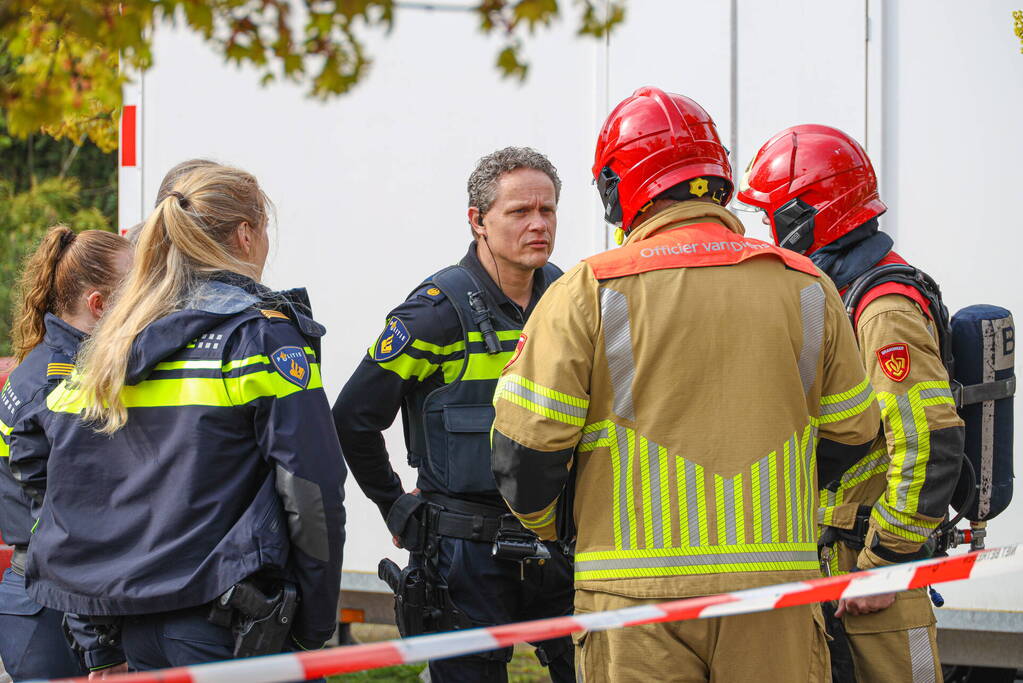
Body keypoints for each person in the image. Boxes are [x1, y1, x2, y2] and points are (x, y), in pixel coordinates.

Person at [490, 87, 882, 682]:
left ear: (619, 188)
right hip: (775, 594)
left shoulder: (588, 289)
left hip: (631, 602)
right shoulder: (807, 285)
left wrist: (566, 528)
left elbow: (524, 453)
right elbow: (854, 432)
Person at [22, 164, 346, 672]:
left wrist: (98, 639)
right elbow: (311, 488)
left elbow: (63, 489)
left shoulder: (111, 343)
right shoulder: (258, 337)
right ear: (247, 234)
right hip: (230, 623)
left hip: (135, 625)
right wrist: (316, 621)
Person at [333, 147, 574, 682]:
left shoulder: (567, 297)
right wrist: (393, 504)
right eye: (519, 212)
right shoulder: (436, 312)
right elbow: (353, 415)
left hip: (556, 543)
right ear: (478, 221)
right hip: (465, 552)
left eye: (548, 210)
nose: (538, 224)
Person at [737, 124, 964, 682]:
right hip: (840, 561)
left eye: (774, 217)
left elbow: (930, 443)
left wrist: (884, 565)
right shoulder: (843, 292)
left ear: (807, 214)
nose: (768, 231)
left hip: (874, 578)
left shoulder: (883, 308)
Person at [0, 226, 132, 680]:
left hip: (47, 602)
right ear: (98, 305)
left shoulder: (40, 365)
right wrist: (101, 649)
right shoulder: (62, 387)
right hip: (57, 614)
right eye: (134, 291)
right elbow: (63, 529)